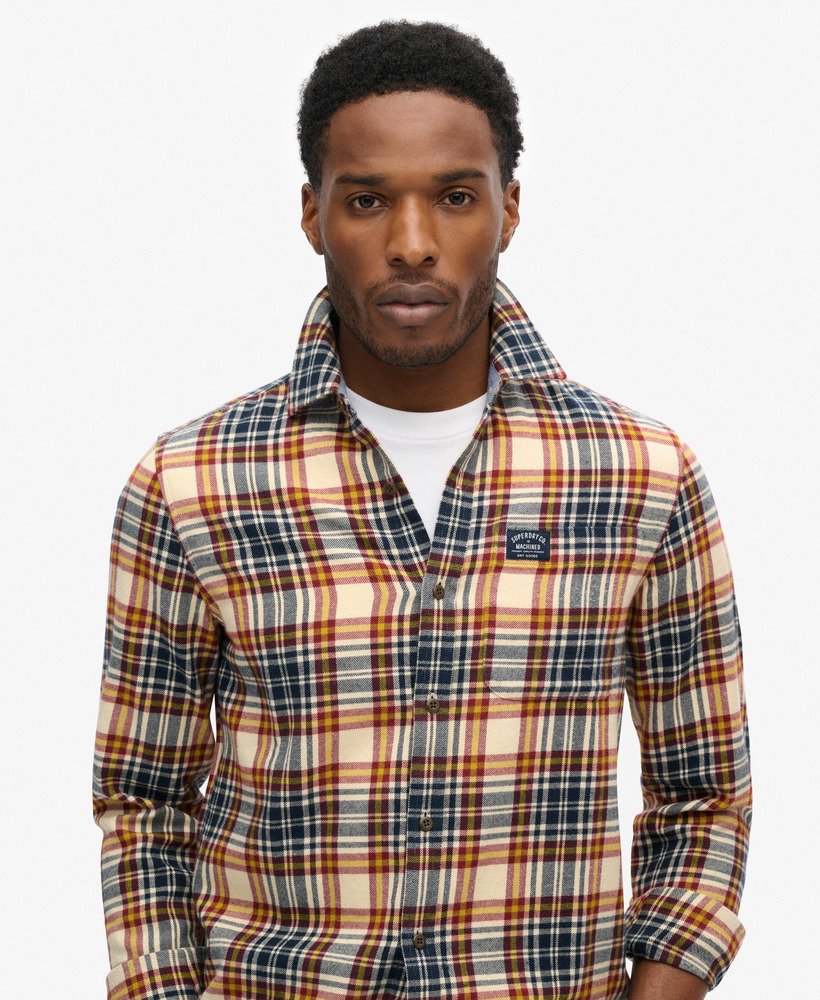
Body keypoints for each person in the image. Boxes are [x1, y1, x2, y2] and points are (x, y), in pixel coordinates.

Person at [92, 19, 752, 1000]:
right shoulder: (190, 480)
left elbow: (703, 795)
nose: (411, 244)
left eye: (454, 197)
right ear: (313, 214)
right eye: (367, 200)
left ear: (508, 210)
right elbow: (144, 802)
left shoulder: (642, 475)